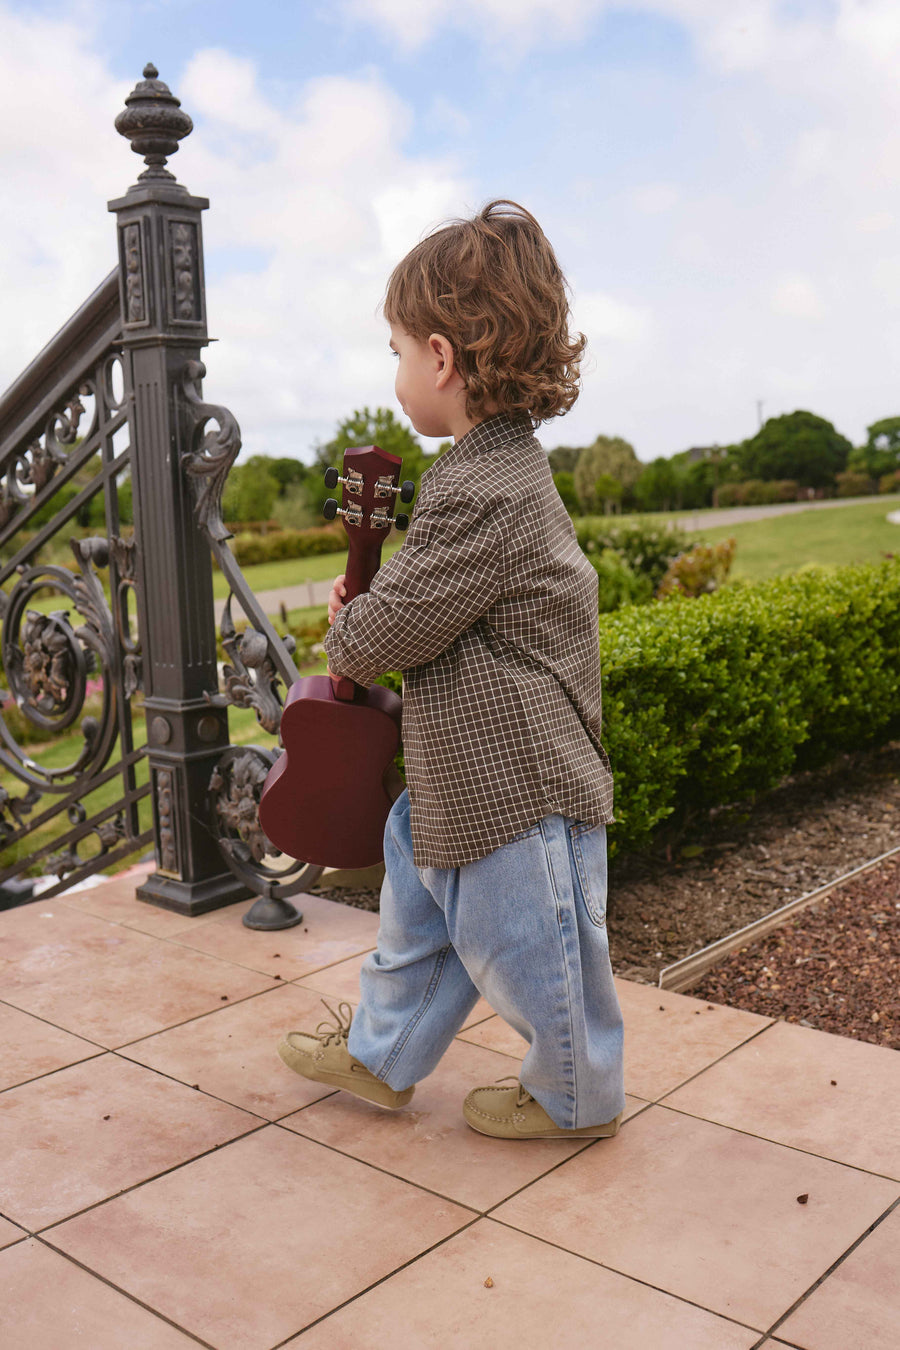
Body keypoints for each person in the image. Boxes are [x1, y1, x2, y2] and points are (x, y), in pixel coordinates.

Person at [278, 200, 625, 1140]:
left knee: (537, 950)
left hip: (514, 785)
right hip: (462, 780)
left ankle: (577, 1094)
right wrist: (381, 608)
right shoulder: (499, 471)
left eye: (395, 352)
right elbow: (435, 606)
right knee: (418, 925)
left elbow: (384, 637)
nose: (396, 373)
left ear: (439, 358)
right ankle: (382, 1054)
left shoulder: (479, 489)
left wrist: (356, 628)